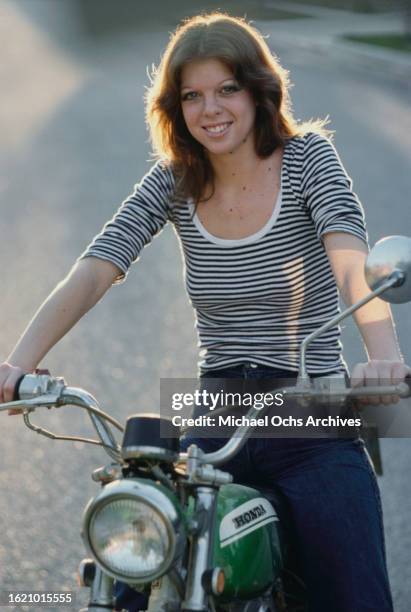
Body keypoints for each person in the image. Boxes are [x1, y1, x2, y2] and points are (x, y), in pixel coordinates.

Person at [0, 12, 410, 612]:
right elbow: (96, 268)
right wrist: (16, 365)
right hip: (215, 412)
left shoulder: (307, 161)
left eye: (226, 89)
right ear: (175, 107)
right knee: (133, 566)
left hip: (311, 414)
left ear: (258, 92)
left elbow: (352, 263)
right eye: (192, 95)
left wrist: (384, 359)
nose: (209, 109)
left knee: (355, 596)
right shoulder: (176, 180)